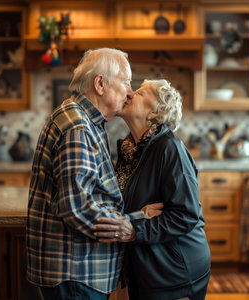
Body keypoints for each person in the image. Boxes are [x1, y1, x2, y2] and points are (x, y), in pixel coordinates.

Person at [26, 48, 161, 300]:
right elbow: (77, 206)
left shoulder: (86, 121)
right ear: (100, 84)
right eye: (126, 81)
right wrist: (132, 223)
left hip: (79, 271)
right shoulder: (78, 126)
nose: (130, 91)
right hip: (76, 272)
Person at [92, 79, 211, 300]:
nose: (128, 93)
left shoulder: (169, 149)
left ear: (154, 112)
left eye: (139, 92)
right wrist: (140, 214)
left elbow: (186, 215)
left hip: (174, 273)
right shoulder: (131, 151)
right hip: (148, 269)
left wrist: (136, 228)